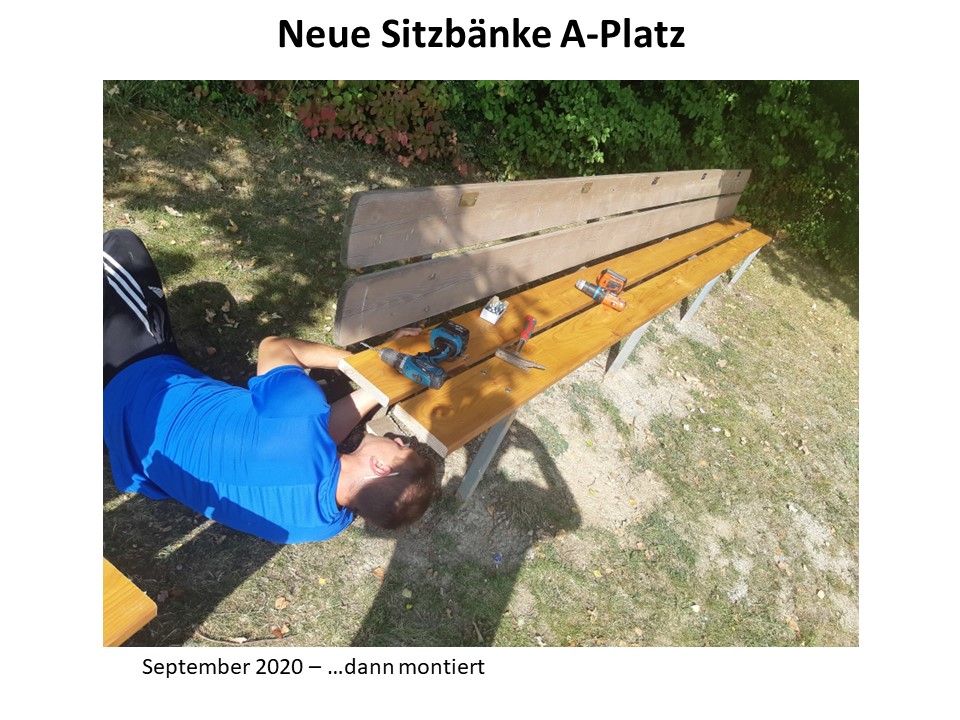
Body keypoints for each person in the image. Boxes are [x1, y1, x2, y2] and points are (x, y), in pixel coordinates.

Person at [103, 228, 437, 544]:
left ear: (380, 468)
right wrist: (376, 384)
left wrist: (366, 362)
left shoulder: (299, 418)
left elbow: (275, 347)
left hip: (138, 382)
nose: (399, 439)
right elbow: (317, 444)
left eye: (402, 448)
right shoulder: (326, 523)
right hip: (136, 454)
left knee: (122, 247)